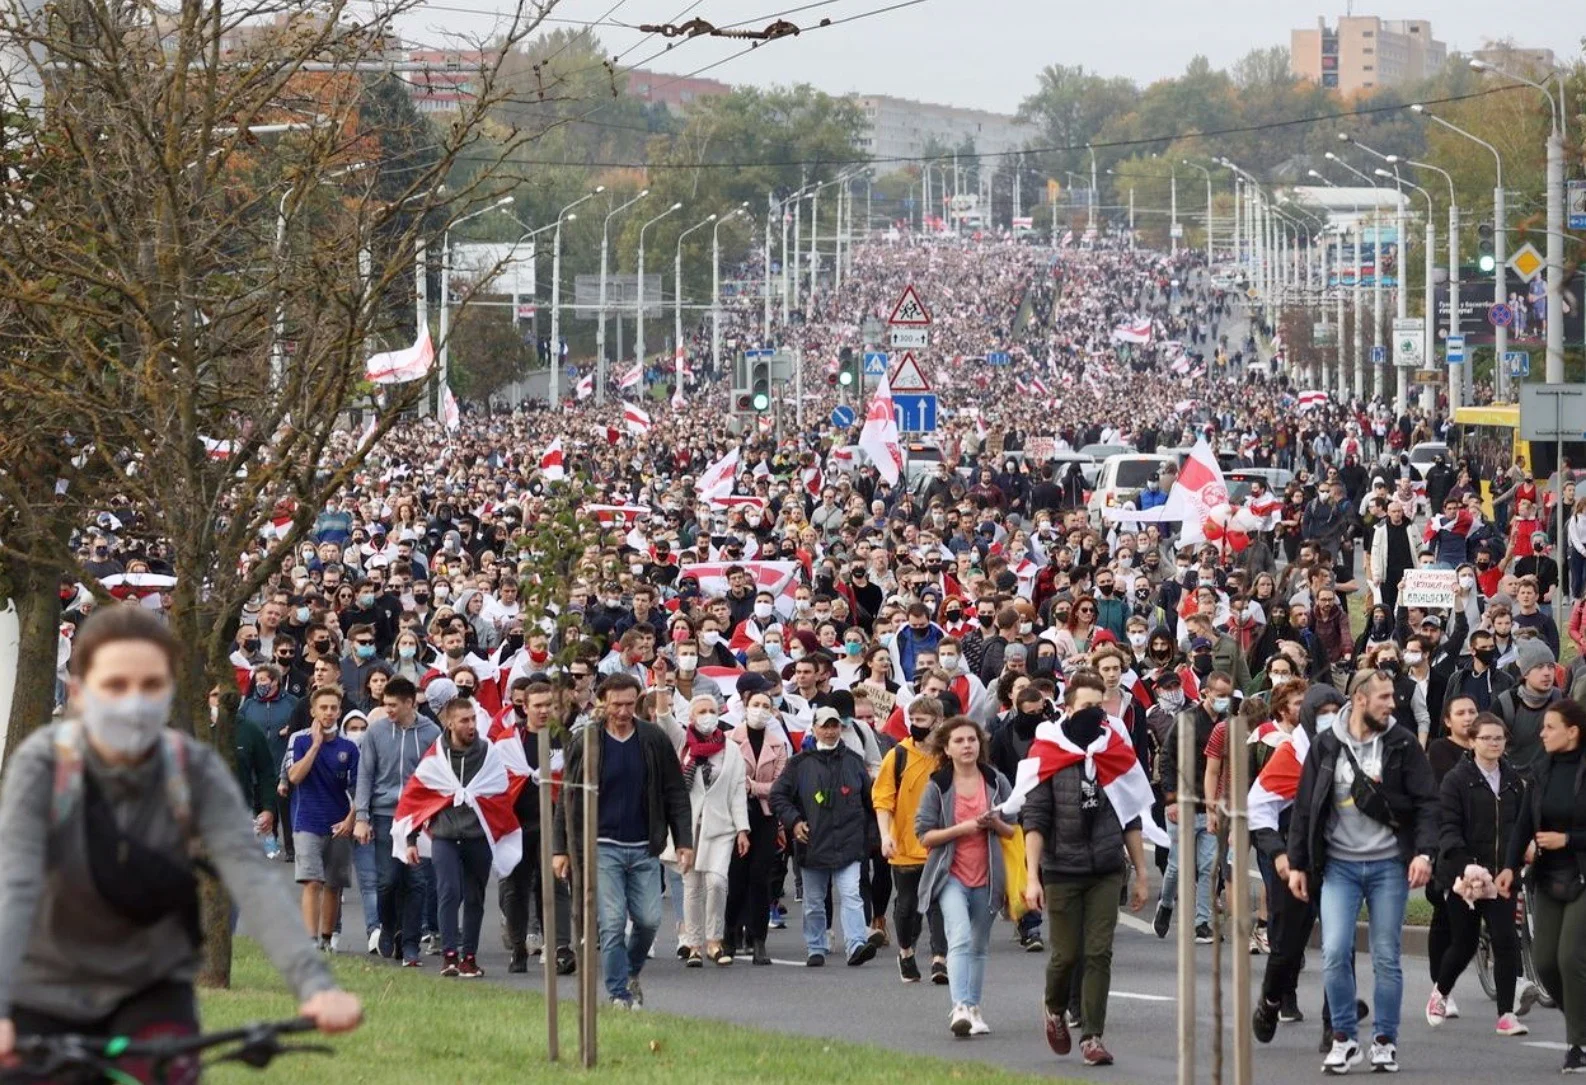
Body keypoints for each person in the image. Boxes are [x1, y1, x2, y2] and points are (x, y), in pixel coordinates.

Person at [0, 606, 361, 1073]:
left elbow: (251, 876)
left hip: (152, 989)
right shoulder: (46, 765)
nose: (133, 702)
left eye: (150, 686)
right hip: (45, 988)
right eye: (114, 686)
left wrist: (316, 986)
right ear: (79, 694)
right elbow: (16, 884)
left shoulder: (192, 769)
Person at [1286, 671, 1439, 1075]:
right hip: (1339, 867)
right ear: (1359, 698)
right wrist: (1299, 863)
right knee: (1335, 952)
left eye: (1393, 698)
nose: (1392, 704)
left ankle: (1385, 1041)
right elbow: (1305, 808)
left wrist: (1424, 853)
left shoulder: (1403, 743)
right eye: (1384, 697)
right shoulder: (1326, 744)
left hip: (1389, 865)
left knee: (1387, 956)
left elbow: (1427, 802)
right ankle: (1345, 1038)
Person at [1022, 672, 1150, 1068]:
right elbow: (1035, 818)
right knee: (1066, 954)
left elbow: (1131, 816)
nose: (1094, 715)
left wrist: (1142, 873)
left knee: (1099, 952)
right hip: (1062, 868)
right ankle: (1055, 1007)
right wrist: (1031, 876)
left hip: (1106, 869)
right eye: (1085, 707)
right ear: (1067, 707)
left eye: (1100, 707)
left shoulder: (1116, 752)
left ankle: (1093, 1035)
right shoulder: (1046, 752)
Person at [553, 674, 693, 1009]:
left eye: (630, 704)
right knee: (613, 923)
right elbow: (566, 799)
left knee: (648, 920)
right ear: (602, 702)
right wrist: (560, 849)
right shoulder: (586, 740)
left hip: (644, 846)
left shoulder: (653, 739)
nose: (623, 711)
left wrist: (684, 840)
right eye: (616, 704)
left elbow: (675, 792)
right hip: (602, 847)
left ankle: (630, 972)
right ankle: (619, 993)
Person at [1497, 699, 1586, 1073]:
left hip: (1582, 871)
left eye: (1550, 727)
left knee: (1570, 957)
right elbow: (1523, 824)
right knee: (1546, 963)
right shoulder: (1541, 769)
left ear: (1573, 732)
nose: (1542, 733)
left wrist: (1568, 840)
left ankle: (1577, 1044)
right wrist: (1508, 866)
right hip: (1549, 876)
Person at [1428, 712, 1530, 1036]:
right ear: (1472, 742)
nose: (1493, 743)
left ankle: (1506, 1015)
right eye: (1486, 738)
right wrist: (1465, 865)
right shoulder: (1456, 780)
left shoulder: (1514, 780)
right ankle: (1440, 992)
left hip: (1501, 875)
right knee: (1464, 943)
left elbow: (1523, 824)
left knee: (1505, 940)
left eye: (1499, 738)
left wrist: (1522, 856)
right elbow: (1448, 828)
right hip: (1465, 877)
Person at [915, 715, 1014, 1037]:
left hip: (988, 875)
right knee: (958, 937)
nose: (967, 745)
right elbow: (924, 835)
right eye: (959, 741)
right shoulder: (938, 784)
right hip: (950, 874)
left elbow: (1015, 829)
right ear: (946, 747)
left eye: (971, 739)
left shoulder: (996, 781)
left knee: (979, 945)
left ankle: (973, 1007)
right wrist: (963, 828)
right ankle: (959, 1006)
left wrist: (994, 824)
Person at [770, 706, 880, 967]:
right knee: (814, 901)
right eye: (825, 726)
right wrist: (794, 821)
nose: (830, 731)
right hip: (812, 842)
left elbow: (870, 802)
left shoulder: (854, 761)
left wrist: (873, 836)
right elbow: (778, 796)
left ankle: (855, 945)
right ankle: (816, 946)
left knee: (852, 895)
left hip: (849, 842)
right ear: (815, 728)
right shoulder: (799, 764)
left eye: (835, 726)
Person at [352, 674, 441, 966]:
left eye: (393, 705)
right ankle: (389, 926)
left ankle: (412, 943)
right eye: (385, 704)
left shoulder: (431, 732)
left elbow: (438, 774)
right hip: (384, 814)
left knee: (416, 881)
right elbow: (365, 774)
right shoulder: (376, 732)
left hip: (418, 817)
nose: (388, 710)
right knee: (387, 880)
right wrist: (362, 817)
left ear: (409, 703)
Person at [494, 678, 573, 976]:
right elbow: (497, 784)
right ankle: (518, 947)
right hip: (516, 825)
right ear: (524, 707)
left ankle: (561, 948)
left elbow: (571, 783)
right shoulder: (507, 742)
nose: (543, 711)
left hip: (553, 822)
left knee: (554, 883)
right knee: (516, 888)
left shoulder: (564, 740)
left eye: (549, 705)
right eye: (537, 706)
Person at [874, 694, 950, 984]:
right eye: (913, 720)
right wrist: (885, 836)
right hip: (904, 845)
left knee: (939, 903)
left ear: (938, 722)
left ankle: (939, 959)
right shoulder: (898, 756)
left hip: (940, 844)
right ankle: (905, 952)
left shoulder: (947, 757)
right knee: (906, 906)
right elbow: (883, 799)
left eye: (922, 720)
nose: (916, 726)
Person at [1155, 669, 1232, 943]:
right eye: (1219, 695)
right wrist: (1171, 799)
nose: (1224, 701)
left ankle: (1202, 922)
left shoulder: (1229, 724)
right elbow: (1166, 760)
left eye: (1228, 696)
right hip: (1185, 802)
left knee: (1209, 866)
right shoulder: (1186, 721)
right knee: (1177, 865)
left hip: (1212, 805)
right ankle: (1165, 904)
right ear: (1205, 694)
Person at [677, 694, 749, 966]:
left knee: (717, 882)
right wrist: (661, 685)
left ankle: (715, 940)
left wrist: (742, 828)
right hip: (689, 825)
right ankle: (694, 944)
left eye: (711, 710)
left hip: (721, 826)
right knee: (692, 886)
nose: (707, 715)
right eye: (701, 711)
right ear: (691, 718)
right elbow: (662, 719)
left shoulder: (730, 749)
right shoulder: (683, 745)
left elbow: (737, 790)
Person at [286, 686, 360, 950]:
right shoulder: (300, 740)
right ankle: (310, 940)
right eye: (324, 708)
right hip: (306, 820)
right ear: (313, 711)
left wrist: (351, 819)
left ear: (340, 711)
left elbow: (357, 788)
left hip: (339, 821)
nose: (328, 713)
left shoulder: (349, 747)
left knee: (333, 884)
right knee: (312, 881)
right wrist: (316, 746)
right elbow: (294, 777)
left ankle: (327, 939)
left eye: (333, 708)